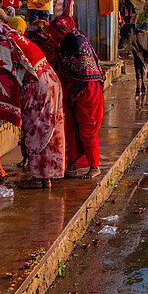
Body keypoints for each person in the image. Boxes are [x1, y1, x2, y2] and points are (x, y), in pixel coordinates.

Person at [0, 22, 65, 188]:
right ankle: (47, 177)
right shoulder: (19, 39)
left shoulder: (6, 44)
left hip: (38, 89)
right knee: (48, 130)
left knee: (34, 130)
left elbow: (7, 77)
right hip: (52, 83)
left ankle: (38, 178)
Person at [50, 16, 105, 179]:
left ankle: (95, 166)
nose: (53, 36)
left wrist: (73, 94)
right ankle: (71, 166)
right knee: (70, 128)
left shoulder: (77, 42)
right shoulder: (67, 41)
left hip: (87, 92)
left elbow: (86, 72)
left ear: (62, 31)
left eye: (54, 33)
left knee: (87, 131)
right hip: (72, 91)